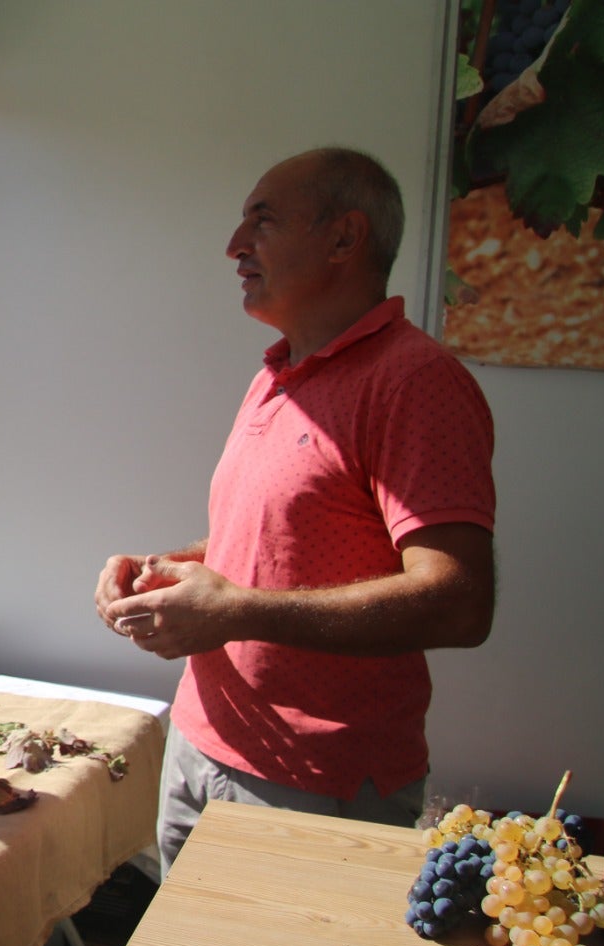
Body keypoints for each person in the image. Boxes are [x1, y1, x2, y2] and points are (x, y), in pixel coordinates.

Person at [94, 148, 497, 877]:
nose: (234, 245)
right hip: (201, 750)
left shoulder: (415, 382)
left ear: (345, 239)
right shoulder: (278, 372)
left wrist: (238, 610)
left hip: (311, 788)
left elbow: (460, 602)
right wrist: (172, 570)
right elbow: (277, 544)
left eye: (263, 219)